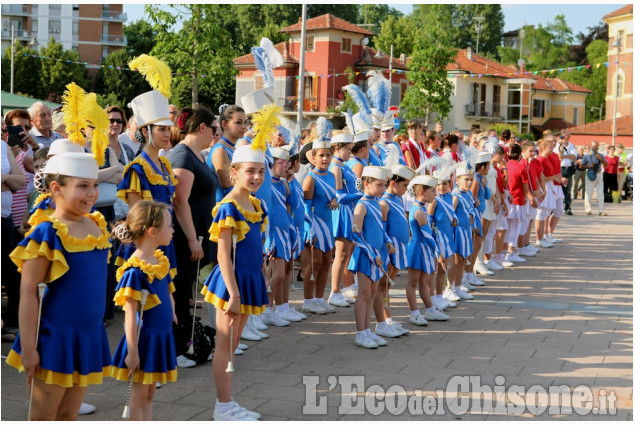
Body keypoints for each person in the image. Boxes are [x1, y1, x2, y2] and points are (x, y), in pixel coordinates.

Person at [6, 152, 112, 420]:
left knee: (68, 415)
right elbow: (29, 291)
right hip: (54, 339)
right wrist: (29, 348)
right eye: (83, 186)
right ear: (56, 188)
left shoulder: (96, 225)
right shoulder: (48, 232)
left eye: (95, 185)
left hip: (86, 336)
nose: (92, 193)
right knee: (44, 415)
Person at [201, 144, 268, 421]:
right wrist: (234, 294)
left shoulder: (256, 203)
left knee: (234, 344)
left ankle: (228, 402)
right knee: (225, 346)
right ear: (234, 172)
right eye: (250, 171)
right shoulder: (228, 206)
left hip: (249, 280)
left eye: (261, 171)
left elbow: (255, 245)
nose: (256, 177)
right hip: (232, 285)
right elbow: (222, 255)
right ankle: (223, 406)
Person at [110, 201, 177, 420]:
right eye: (169, 225)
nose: (173, 229)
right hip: (144, 340)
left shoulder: (158, 260)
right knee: (138, 396)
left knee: (150, 394)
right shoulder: (135, 270)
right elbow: (130, 315)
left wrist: (173, 312)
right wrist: (132, 351)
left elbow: (168, 292)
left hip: (160, 336)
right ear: (153, 231)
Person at [167, 106, 219, 362]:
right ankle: (178, 347)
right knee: (180, 291)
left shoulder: (196, 155)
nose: (216, 134)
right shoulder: (183, 156)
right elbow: (179, 200)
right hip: (185, 237)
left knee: (187, 291)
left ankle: (187, 341)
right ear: (202, 127)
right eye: (214, 129)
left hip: (198, 235)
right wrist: (190, 238)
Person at [348, 166, 395, 348]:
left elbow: (380, 229)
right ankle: (360, 333)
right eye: (379, 185)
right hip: (366, 255)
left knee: (373, 292)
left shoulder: (376, 203)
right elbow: (356, 233)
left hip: (378, 254)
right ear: (366, 184)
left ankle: (368, 330)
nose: (383, 189)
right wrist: (371, 253)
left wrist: (388, 241)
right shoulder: (362, 205)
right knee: (364, 293)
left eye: (384, 185)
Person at [262, 146, 300, 326]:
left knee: (282, 274)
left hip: (285, 232)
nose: (287, 166)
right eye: (283, 163)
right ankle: (266, 309)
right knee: (276, 275)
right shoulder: (266, 183)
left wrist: (291, 181)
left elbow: (294, 204)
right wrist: (268, 237)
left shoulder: (284, 183)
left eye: (288, 163)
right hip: (273, 233)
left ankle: (272, 308)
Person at [377, 165, 417, 337]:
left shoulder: (398, 199)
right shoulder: (384, 203)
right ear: (393, 183)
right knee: (383, 287)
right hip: (391, 250)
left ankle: (388, 319)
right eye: (404, 185)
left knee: (386, 287)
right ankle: (384, 321)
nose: (406, 189)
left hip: (399, 248)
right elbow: (383, 231)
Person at [406, 175, 449, 325]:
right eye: (432, 191)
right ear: (421, 192)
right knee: (412, 282)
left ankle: (430, 310)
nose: (435, 194)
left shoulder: (421, 208)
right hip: (418, 249)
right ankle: (414, 313)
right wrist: (438, 254)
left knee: (424, 281)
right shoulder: (418, 211)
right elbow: (427, 236)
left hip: (423, 248)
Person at [328, 131, 360, 308]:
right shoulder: (336, 167)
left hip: (348, 211)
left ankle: (341, 290)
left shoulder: (344, 165)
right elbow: (338, 195)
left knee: (345, 255)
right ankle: (334, 292)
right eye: (348, 149)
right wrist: (360, 195)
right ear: (338, 148)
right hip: (341, 212)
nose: (350, 152)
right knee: (340, 255)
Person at [1, 138, 27, 332]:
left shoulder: (2, 146)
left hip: (5, 218)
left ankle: (9, 323)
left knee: (10, 273)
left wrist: (5, 180)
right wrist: (8, 180)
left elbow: (20, 180)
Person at [206, 105, 247, 202]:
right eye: (238, 122)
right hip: (225, 210)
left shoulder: (234, 148)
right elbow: (229, 187)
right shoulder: (220, 150)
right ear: (225, 125)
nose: (244, 127)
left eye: (245, 122)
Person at [448, 165, 475, 301]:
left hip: (466, 231)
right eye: (466, 179)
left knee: (463, 260)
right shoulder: (455, 196)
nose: (469, 182)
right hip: (458, 232)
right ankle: (449, 288)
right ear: (457, 180)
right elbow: (451, 216)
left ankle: (458, 287)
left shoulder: (468, 194)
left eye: (471, 179)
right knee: (456, 261)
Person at [581, 140, 608, 216]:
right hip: (590, 174)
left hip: (599, 174)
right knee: (589, 193)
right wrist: (588, 166)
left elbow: (606, 165)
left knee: (600, 193)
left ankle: (601, 210)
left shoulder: (601, 155)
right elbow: (581, 166)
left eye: (596, 146)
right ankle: (588, 210)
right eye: (594, 146)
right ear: (590, 146)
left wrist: (601, 159)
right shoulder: (586, 156)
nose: (595, 147)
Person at [555, 129, 576, 214]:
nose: (569, 137)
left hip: (568, 169)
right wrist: (560, 145)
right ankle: (555, 208)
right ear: (563, 136)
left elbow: (574, 156)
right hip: (559, 168)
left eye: (569, 135)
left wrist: (564, 156)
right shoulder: (557, 145)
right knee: (557, 188)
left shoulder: (571, 145)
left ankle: (568, 208)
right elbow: (558, 156)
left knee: (568, 189)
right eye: (568, 135)